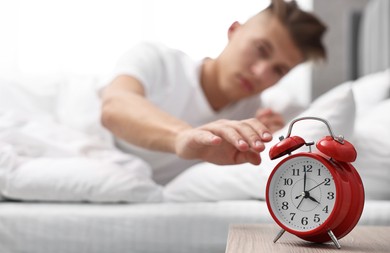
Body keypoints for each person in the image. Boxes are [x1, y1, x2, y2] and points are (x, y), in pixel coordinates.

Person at [99, 0, 327, 184]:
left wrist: (272, 145)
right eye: (261, 50)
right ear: (234, 30)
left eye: (278, 70)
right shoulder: (158, 61)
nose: (260, 72)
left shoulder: (256, 118)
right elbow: (114, 106)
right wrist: (183, 136)